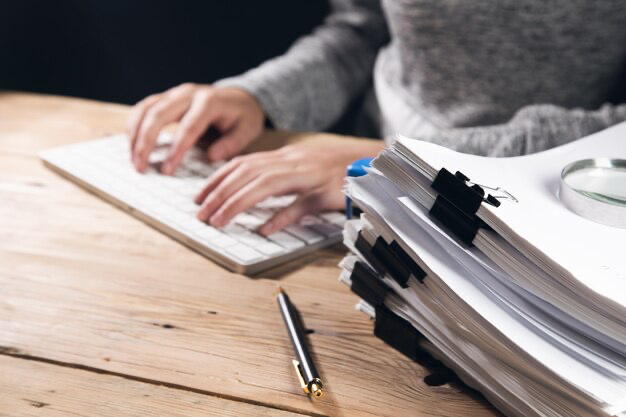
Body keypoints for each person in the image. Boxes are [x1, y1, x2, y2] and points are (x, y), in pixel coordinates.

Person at [127, 0, 626, 235]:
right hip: (347, 175)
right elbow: (361, 32)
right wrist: (255, 96)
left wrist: (412, 164)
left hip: (538, 211)